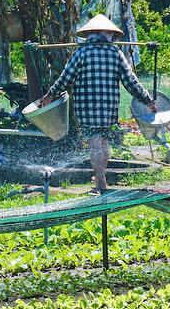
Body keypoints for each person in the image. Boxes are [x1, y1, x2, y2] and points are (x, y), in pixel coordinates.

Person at [39, 15, 155, 194]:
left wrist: (50, 95)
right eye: (110, 34)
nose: (112, 38)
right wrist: (147, 100)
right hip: (108, 109)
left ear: (91, 34)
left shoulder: (81, 53)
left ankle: (100, 181)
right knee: (103, 143)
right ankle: (101, 178)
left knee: (95, 144)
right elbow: (131, 82)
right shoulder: (116, 53)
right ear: (105, 33)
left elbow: (65, 79)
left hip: (86, 109)